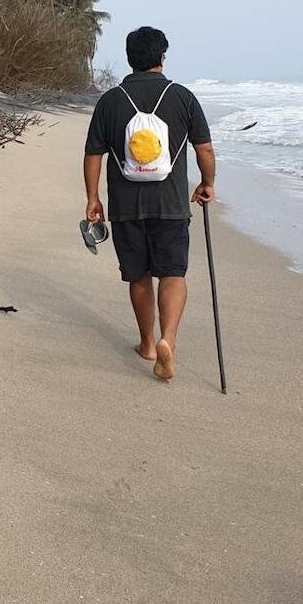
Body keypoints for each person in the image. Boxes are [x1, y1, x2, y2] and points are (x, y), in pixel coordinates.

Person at [84, 26, 216, 382]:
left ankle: (146, 344)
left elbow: (93, 153)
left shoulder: (110, 101)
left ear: (130, 59)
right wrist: (207, 183)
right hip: (171, 204)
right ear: (162, 57)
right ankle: (167, 340)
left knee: (139, 276)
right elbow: (203, 149)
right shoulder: (182, 96)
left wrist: (93, 198)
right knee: (173, 273)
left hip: (126, 206)